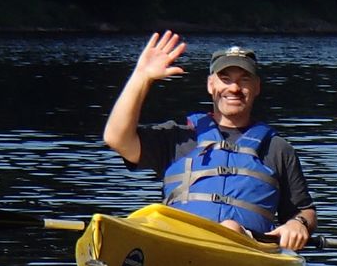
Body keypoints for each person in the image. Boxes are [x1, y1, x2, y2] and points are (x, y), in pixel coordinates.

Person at [102, 31, 317, 250]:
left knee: (230, 227)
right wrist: (141, 77)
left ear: (257, 87)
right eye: (225, 79)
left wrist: (298, 224)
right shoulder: (177, 138)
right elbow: (115, 138)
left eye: (244, 80)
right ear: (210, 85)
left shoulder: (278, 149)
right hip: (178, 246)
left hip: (249, 252)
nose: (234, 88)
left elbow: (304, 209)